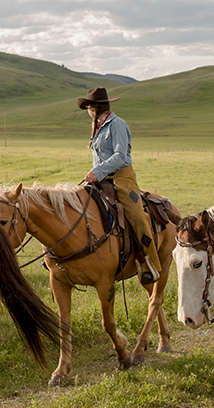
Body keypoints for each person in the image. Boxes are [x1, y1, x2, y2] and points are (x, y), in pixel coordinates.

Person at [78, 87, 161, 284]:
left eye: (89, 107)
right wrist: (96, 174)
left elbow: (120, 156)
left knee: (137, 216)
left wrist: (96, 172)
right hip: (100, 178)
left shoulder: (117, 125)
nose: (88, 111)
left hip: (122, 178)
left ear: (96, 108)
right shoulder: (97, 126)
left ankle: (149, 263)